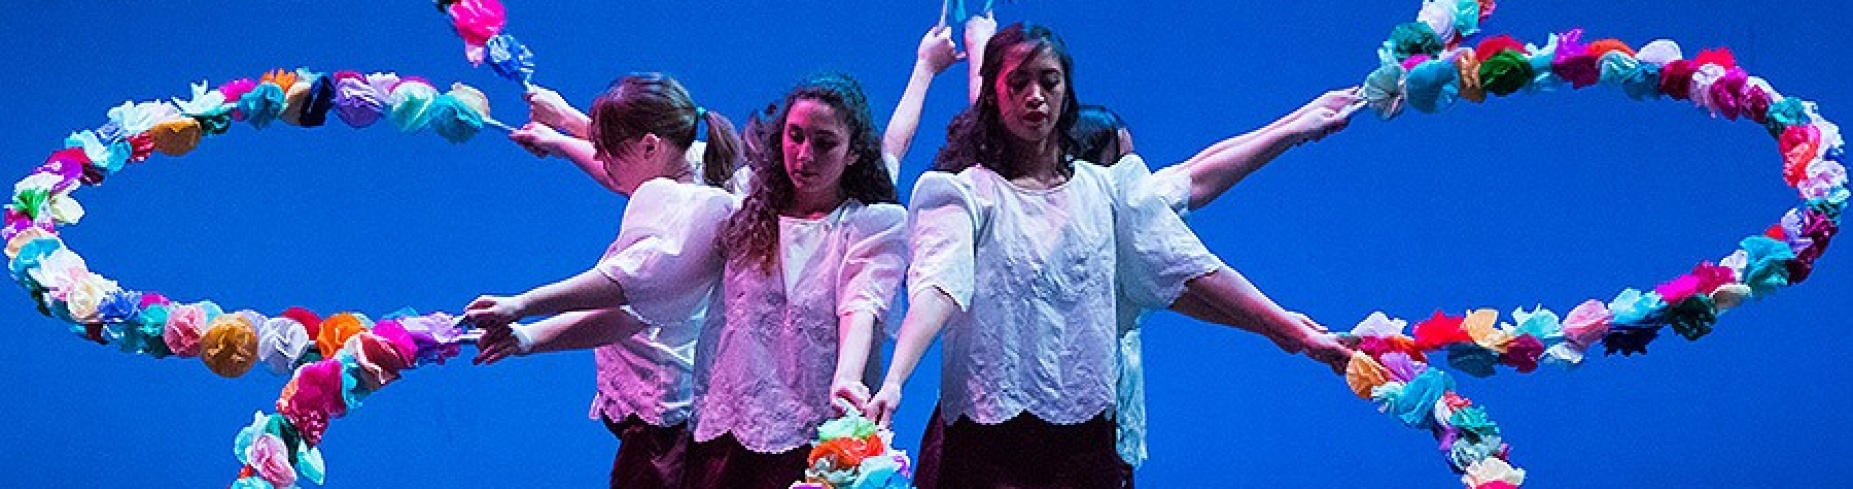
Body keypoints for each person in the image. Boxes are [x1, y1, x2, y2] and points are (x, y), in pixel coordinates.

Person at [863, 23, 1355, 488]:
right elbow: (938, 286)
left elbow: (1191, 272)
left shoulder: (1113, 193)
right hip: (987, 438)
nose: (1035, 96)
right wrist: (896, 378)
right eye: (1019, 83)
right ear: (995, 92)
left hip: (1083, 441)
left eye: (1048, 82)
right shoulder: (965, 195)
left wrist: (1286, 329)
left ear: (1066, 93)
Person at [464, 73, 743, 489]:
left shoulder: (678, 210)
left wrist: (522, 308)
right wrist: (564, 129)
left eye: (608, 150)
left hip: (662, 417)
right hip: (674, 411)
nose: (602, 160)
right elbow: (626, 169)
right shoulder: (702, 162)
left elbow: (621, 294)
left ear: (651, 145)